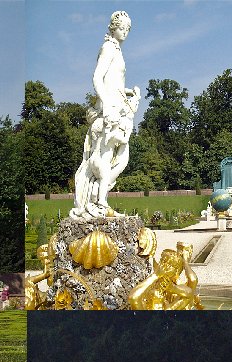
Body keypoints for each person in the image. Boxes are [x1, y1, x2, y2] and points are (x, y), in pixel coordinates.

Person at [71, 11, 141, 220]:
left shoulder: (117, 50)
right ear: (113, 28)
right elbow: (97, 78)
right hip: (109, 109)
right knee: (107, 155)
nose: (125, 32)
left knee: (119, 156)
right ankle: (99, 201)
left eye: (128, 29)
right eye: (122, 28)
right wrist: (108, 103)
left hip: (118, 105)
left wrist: (126, 92)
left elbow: (114, 81)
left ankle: (98, 197)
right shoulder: (109, 48)